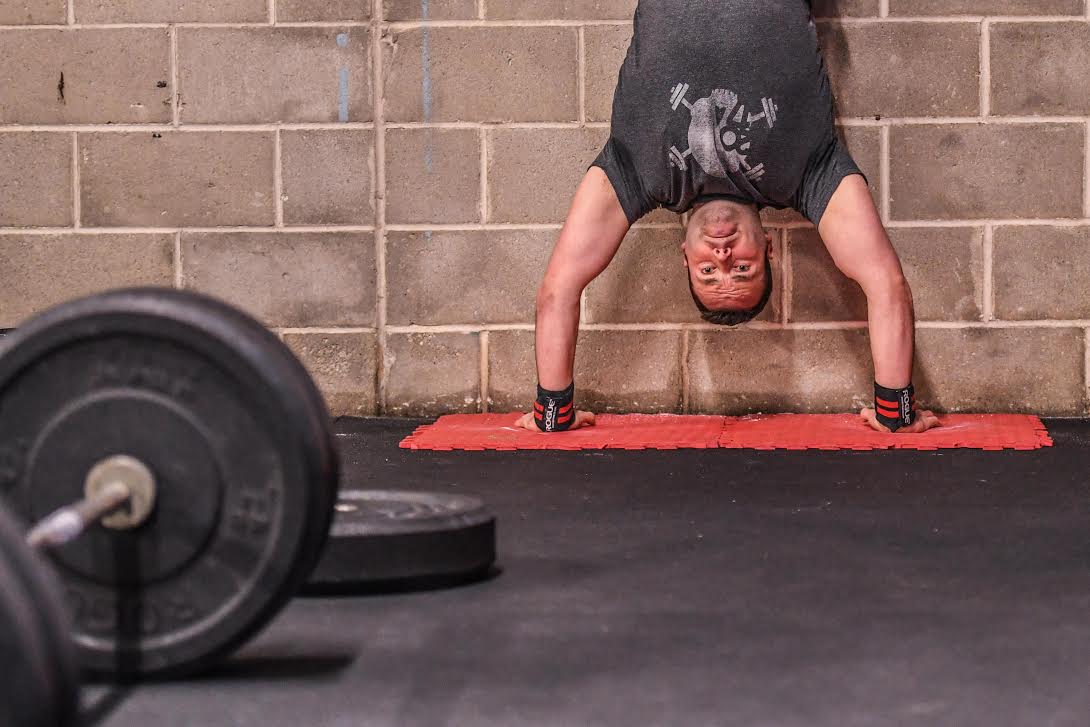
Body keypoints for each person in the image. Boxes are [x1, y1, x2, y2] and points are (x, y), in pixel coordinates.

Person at [517, 0, 940, 436]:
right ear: (768, 249)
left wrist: (554, 413)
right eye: (740, 268)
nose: (722, 255)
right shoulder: (809, 175)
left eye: (707, 270)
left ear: (685, 256)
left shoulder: (635, 175)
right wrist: (895, 412)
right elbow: (885, 283)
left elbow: (558, 289)